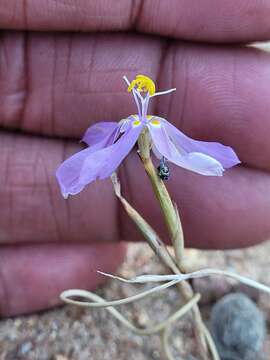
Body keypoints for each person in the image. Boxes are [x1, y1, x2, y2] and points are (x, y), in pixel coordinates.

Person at [1, 0, 270, 317]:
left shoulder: (156, 125)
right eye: (140, 93)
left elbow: (196, 153)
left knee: (192, 162)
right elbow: (98, 147)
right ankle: (178, 275)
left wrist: (203, 161)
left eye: (145, 94)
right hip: (133, 133)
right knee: (98, 163)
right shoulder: (130, 125)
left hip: (150, 136)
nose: (142, 93)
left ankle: (181, 275)